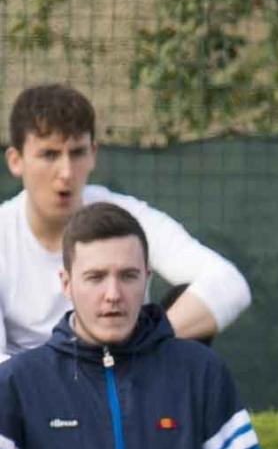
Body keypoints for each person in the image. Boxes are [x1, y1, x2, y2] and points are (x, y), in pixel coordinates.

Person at [0, 202, 269, 449]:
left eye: (127, 276)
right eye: (95, 277)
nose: (113, 294)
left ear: (147, 277)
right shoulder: (19, 382)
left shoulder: (201, 373)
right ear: (66, 283)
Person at [1, 83, 252, 360]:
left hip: (124, 376)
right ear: (16, 160)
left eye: (77, 153)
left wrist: (148, 344)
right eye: (49, 154)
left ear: (93, 154)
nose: (66, 172)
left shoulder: (125, 217)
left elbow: (229, 285)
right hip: (34, 392)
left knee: (187, 299)